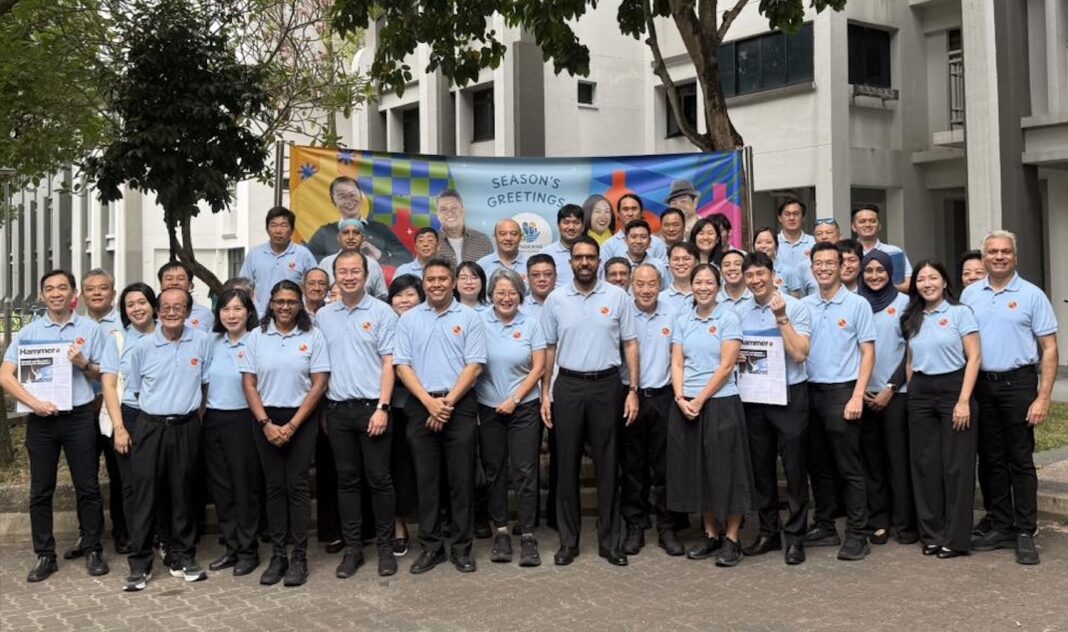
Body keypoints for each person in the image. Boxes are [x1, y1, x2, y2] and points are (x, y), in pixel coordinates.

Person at [1, 270, 108, 583]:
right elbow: (5, 375)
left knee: (87, 486)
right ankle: (45, 555)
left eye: (63, 287)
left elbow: (104, 372)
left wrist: (84, 364)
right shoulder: (29, 332)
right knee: (41, 489)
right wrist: (33, 403)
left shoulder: (91, 329)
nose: (56, 293)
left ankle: (93, 548)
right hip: (41, 420)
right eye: (50, 289)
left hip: (79, 417)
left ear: (74, 293)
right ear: (42, 295)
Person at [962, 230, 1058, 565]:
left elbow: (1049, 349)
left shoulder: (1032, 295)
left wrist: (1043, 397)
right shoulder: (970, 294)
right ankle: (1001, 524)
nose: (999, 257)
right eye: (992, 252)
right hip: (982, 385)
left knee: (1020, 459)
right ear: (983, 257)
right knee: (991, 459)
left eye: (1005, 252)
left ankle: (1025, 530)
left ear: (1015, 257)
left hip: (1018, 385)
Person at [541, 237, 638, 567]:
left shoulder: (618, 296)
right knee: (565, 466)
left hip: (607, 386)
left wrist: (633, 389)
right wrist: (545, 392)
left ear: (599, 261)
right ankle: (568, 542)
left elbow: (631, 344)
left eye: (590, 257)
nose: (585, 262)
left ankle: (610, 542)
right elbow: (549, 349)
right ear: (570, 262)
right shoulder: (556, 299)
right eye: (579, 257)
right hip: (568, 385)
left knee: (608, 466)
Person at [393, 258, 487, 574]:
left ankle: (462, 548)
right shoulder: (408, 320)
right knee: (426, 481)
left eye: (443, 279)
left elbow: (475, 365)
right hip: (421, 405)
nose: (436, 284)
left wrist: (445, 404)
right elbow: (402, 365)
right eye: (430, 279)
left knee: (461, 481)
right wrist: (428, 403)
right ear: (424, 283)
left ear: (453, 282)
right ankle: (431, 548)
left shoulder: (470, 317)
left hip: (459, 405)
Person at [121, 287, 212, 591]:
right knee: (145, 496)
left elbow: (205, 384)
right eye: (166, 308)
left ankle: (184, 556)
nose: (172, 312)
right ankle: (140, 563)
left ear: (188, 311)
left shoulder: (201, 341)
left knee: (183, 493)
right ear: (158, 312)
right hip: (151, 426)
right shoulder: (143, 347)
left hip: (186, 426)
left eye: (179, 307)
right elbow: (135, 389)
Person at [240, 280, 330, 587]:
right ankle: (278, 555)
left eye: (291, 301)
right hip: (265, 419)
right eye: (279, 301)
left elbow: (319, 383)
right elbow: (249, 383)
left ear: (299, 304)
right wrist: (266, 424)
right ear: (271, 303)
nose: (285, 307)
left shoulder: (312, 335)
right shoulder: (256, 336)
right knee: (275, 487)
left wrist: (292, 426)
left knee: (297, 486)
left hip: (301, 418)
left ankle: (299, 557)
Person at [317, 250, 400, 578]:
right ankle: (353, 549)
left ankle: (386, 548)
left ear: (366, 275)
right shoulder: (324, 316)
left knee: (380, 480)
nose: (349, 277)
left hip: (372, 410)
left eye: (355, 271)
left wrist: (383, 407)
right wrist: (324, 411)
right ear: (335, 275)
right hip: (338, 411)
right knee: (347, 481)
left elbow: (389, 363)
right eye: (343, 271)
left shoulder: (382, 312)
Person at [668, 264, 753, 567]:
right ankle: (710, 533)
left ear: (718, 287)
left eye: (709, 282)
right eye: (698, 282)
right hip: (687, 405)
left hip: (720, 403)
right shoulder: (683, 319)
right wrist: (680, 397)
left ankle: (732, 537)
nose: (703, 287)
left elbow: (727, 366)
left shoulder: (728, 318)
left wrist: (700, 399)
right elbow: (677, 363)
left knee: (728, 470)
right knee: (700, 470)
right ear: (691, 286)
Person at [801, 242, 877, 561]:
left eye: (830, 263)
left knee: (849, 467)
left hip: (842, 392)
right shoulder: (803, 305)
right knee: (818, 465)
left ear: (841, 265)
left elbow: (868, 352)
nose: (824, 268)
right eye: (818, 263)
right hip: (810, 392)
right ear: (812, 268)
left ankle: (858, 533)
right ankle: (825, 524)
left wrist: (857, 395)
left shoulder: (857, 304)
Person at [737, 252, 813, 565]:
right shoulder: (740, 311)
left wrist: (781, 317)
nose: (755, 280)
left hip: (790, 396)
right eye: (750, 275)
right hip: (755, 398)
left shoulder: (796, 307)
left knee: (794, 468)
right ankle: (769, 532)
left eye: (760, 274)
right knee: (761, 468)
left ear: (772, 274)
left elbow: (800, 354)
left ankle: (795, 537)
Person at [902, 260, 980, 558]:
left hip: (954, 389)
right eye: (921, 279)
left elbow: (974, 357)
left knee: (956, 466)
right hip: (921, 392)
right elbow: (910, 360)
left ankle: (956, 539)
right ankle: (932, 534)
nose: (927, 284)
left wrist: (963, 400)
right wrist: (913, 394)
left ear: (945, 282)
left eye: (933, 277)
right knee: (926, 465)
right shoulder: (912, 316)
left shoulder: (960, 313)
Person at [477, 269, 546, 567]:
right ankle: (501, 532)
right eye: (500, 293)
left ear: (520, 295)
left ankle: (528, 534)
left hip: (524, 408)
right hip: (488, 409)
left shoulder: (531, 324)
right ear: (491, 294)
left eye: (512, 293)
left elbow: (539, 367)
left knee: (525, 471)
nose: (506, 298)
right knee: (494, 471)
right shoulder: (478, 322)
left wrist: (515, 399)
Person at [621, 264, 685, 557]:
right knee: (632, 466)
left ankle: (667, 527)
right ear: (631, 286)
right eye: (640, 284)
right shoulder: (623, 313)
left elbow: (679, 357)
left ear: (660, 285)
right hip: (630, 398)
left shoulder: (673, 313)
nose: (646, 290)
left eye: (652, 284)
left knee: (666, 467)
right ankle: (634, 526)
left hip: (664, 398)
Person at [857, 250, 917, 546]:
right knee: (872, 461)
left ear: (891, 272)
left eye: (880, 270)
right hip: (864, 394)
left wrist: (890, 388)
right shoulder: (856, 303)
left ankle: (904, 522)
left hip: (896, 394)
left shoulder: (905, 303)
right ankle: (878, 520)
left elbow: (911, 351)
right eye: (869, 271)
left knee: (898, 460)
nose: (874, 276)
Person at [201, 288, 262, 577]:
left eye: (237, 308)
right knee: (222, 488)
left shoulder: (258, 340)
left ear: (248, 312)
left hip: (244, 420)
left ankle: (249, 550)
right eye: (225, 309)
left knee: (244, 486)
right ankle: (231, 546)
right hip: (214, 419)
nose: (231, 315)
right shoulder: (211, 341)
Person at [99, 284, 157, 566]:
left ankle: (164, 539)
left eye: (142, 302)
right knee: (131, 485)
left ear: (153, 305)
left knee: (163, 480)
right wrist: (119, 428)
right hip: (130, 416)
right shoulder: (118, 339)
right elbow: (109, 386)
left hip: (163, 416)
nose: (137, 308)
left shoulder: (168, 333)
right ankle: (139, 542)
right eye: (130, 304)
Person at [77, 269, 129, 558]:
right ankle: (88, 535)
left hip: (114, 411)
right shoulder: (75, 326)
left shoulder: (125, 324)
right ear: (82, 294)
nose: (97, 293)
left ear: (113, 292)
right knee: (85, 476)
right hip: (82, 412)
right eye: (90, 288)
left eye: (103, 288)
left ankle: (122, 531)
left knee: (119, 473)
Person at [386, 274, 426, 556]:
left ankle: (430, 526)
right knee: (397, 467)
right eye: (398, 295)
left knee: (426, 468)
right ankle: (399, 526)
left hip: (428, 405)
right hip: (394, 408)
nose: (404, 300)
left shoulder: (429, 323)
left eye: (410, 294)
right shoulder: (385, 325)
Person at [305, 176, 410, 266]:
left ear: (361, 196)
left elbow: (405, 259)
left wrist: (379, 255)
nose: (349, 201)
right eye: (342, 197)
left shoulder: (379, 229)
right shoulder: (325, 232)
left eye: (352, 195)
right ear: (333, 202)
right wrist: (339, 258)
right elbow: (307, 261)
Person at [240, 206, 318, 316]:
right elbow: (243, 287)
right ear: (267, 229)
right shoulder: (254, 254)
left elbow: (315, 284)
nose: (278, 231)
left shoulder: (303, 254)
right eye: (273, 225)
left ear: (292, 230)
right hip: (260, 317)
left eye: (283, 225)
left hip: (294, 316)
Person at [318, 218, 389, 300]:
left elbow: (382, 296)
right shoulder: (326, 263)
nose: (351, 237)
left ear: (363, 238)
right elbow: (320, 293)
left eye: (356, 233)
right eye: (346, 233)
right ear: (339, 238)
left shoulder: (372, 264)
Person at [851, 204, 913, 293]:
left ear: (879, 225)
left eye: (872, 221)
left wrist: (878, 289)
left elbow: (908, 285)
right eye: (862, 221)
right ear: (853, 227)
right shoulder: (847, 253)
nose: (868, 225)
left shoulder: (895, 252)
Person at [434, 189, 493, 265]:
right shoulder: (431, 243)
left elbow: (491, 270)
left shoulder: (483, 241)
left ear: (463, 210)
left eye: (454, 208)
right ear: (438, 215)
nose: (449, 213)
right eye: (443, 209)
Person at [752, 227, 816, 297]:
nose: (763, 246)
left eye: (768, 242)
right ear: (754, 246)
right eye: (759, 242)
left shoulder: (788, 271)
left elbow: (795, 300)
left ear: (776, 246)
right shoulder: (748, 271)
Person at [601, 194, 667, 261]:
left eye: (634, 209)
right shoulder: (609, 246)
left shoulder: (657, 243)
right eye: (625, 209)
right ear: (618, 214)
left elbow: (663, 267)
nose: (630, 214)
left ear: (641, 213)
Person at [540, 204, 587, 288]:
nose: (571, 227)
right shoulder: (545, 254)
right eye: (566, 222)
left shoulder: (593, 253)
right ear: (558, 225)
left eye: (576, 223)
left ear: (583, 227)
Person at [158, 262, 213, 333]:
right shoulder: (151, 312)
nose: (174, 283)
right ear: (161, 284)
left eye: (180, 279)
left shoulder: (205, 314)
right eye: (169, 279)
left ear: (190, 285)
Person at [618, 220, 669, 284]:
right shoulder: (617, 265)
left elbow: (666, 288)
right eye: (633, 237)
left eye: (643, 237)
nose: (638, 241)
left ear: (650, 241)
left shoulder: (659, 265)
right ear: (626, 240)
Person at [776, 198, 816, 273]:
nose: (792, 218)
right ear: (780, 218)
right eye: (787, 214)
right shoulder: (772, 243)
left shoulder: (814, 243)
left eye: (796, 214)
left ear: (803, 217)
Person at [660, 242, 697, 312]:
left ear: (696, 262)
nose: (681, 263)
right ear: (669, 263)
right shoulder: (660, 299)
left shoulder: (705, 295)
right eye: (676, 259)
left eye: (686, 258)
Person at [522, 254, 557, 322]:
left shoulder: (567, 304)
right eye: (535, 275)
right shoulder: (519, 307)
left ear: (555, 277)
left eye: (547, 274)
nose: (542, 279)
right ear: (528, 278)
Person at [716, 249, 752, 316]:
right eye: (727, 265)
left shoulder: (756, 296)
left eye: (737, 264)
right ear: (720, 272)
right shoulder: (714, 300)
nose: (732, 268)